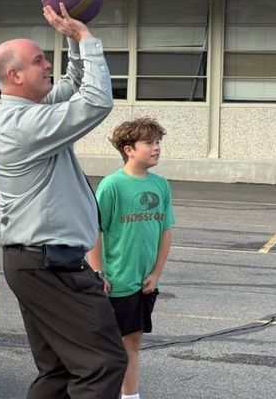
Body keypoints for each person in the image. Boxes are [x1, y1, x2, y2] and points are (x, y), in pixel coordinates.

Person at [0, 3, 127, 399]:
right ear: (15, 75)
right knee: (102, 363)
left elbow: (75, 83)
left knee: (60, 371)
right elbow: (96, 101)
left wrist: (73, 39)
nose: (46, 65)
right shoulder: (23, 125)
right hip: (47, 264)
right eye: (38, 62)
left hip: (39, 262)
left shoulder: (34, 110)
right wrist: (87, 39)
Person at [86, 118, 175, 399]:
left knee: (133, 343)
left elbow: (166, 232)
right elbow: (94, 232)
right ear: (129, 149)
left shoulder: (161, 185)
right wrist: (99, 273)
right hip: (115, 281)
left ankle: (130, 396)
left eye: (158, 142)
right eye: (149, 142)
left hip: (143, 283)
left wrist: (156, 274)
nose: (156, 148)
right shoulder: (112, 186)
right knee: (107, 350)